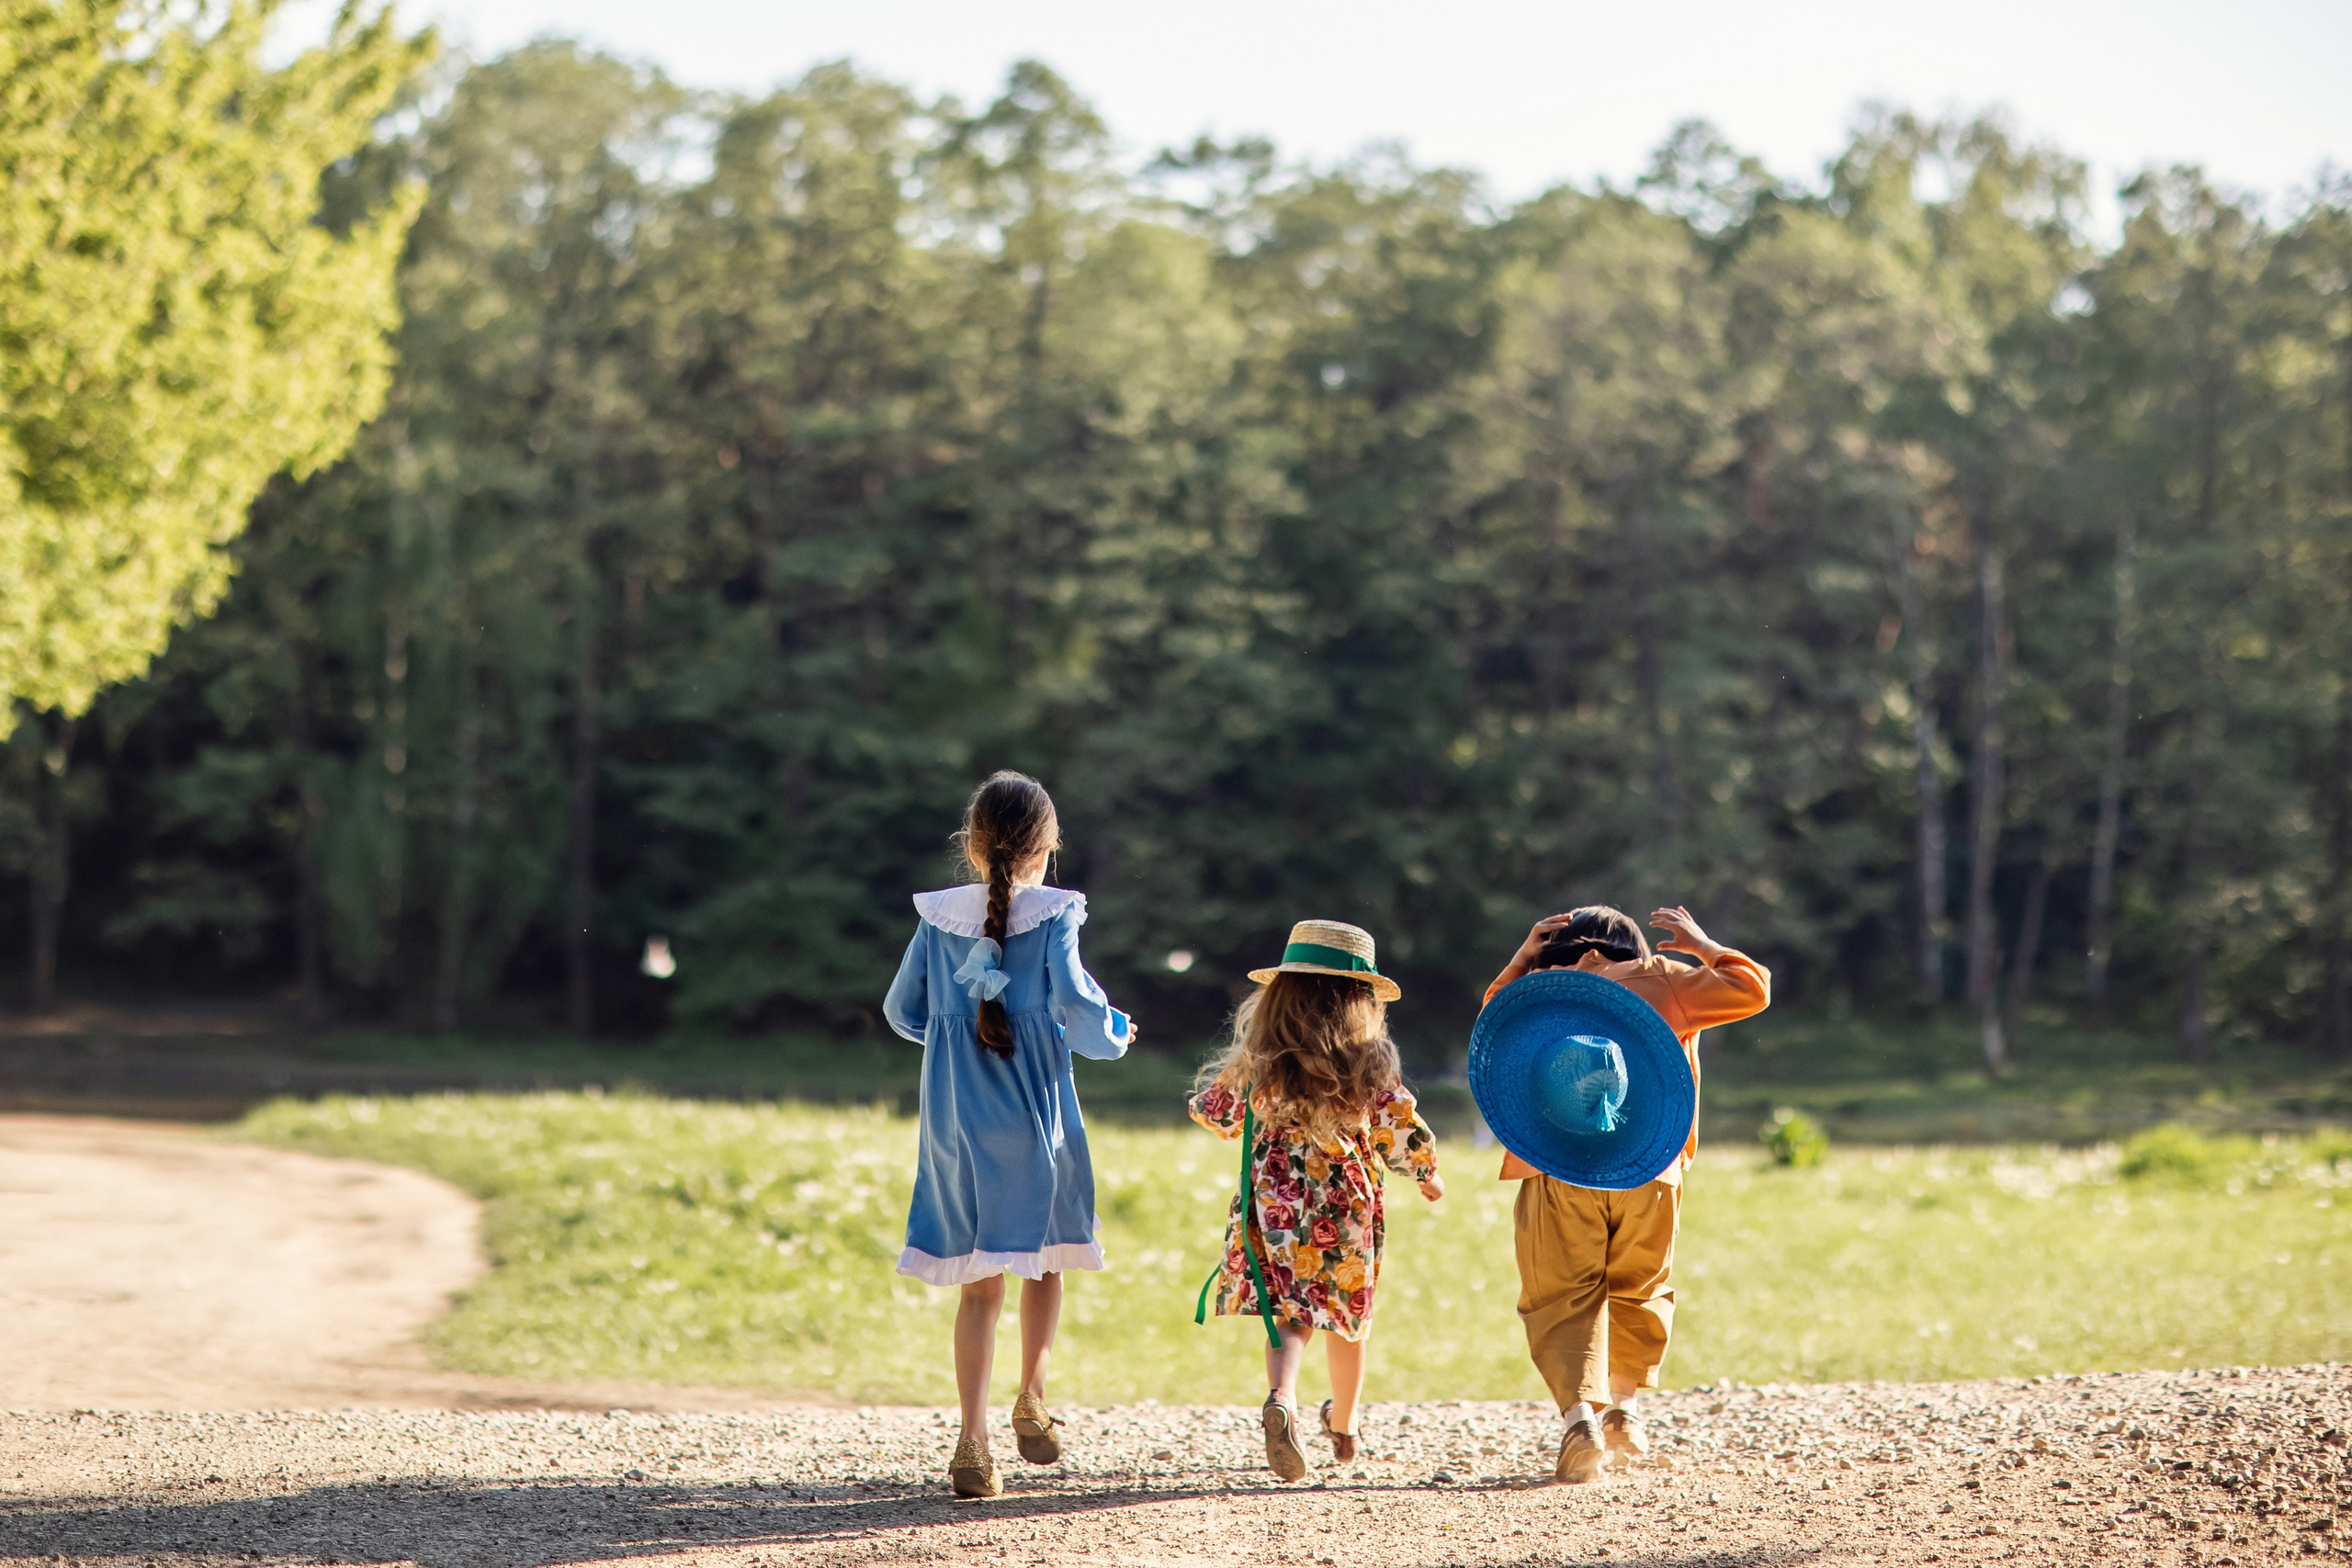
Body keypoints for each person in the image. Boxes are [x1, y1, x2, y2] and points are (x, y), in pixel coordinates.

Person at [883, 771, 1135, 1500]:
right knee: (1044, 1258)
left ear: (972, 843)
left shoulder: (937, 917)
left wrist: (954, 1044)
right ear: (1048, 846)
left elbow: (904, 1008)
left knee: (977, 1286)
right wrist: (1115, 1033)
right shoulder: (1057, 912)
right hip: (1034, 1105)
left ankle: (972, 1440)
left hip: (958, 1114)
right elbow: (1076, 1000)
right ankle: (1032, 1391)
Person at [1480, 904, 1769, 1484]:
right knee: (1641, 1285)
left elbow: (1493, 1027)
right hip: (1649, 1166)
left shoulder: (1537, 991)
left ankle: (1579, 1421)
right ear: (1630, 944)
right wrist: (1701, 942)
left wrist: (1522, 958)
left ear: (1555, 948)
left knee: (1559, 1295)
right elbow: (1751, 989)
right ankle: (1625, 1413)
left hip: (1554, 1165)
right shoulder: (1663, 978)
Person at [1189, 919, 1443, 1481]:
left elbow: (1217, 1114)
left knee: (1288, 1314)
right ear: (1362, 999)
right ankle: (1346, 1425)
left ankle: (1283, 1397)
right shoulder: (1369, 1055)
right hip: (1344, 1202)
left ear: (1281, 991)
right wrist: (1425, 1172)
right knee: (1345, 1318)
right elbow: (1396, 1122)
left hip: (1273, 1196)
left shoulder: (1262, 1053)